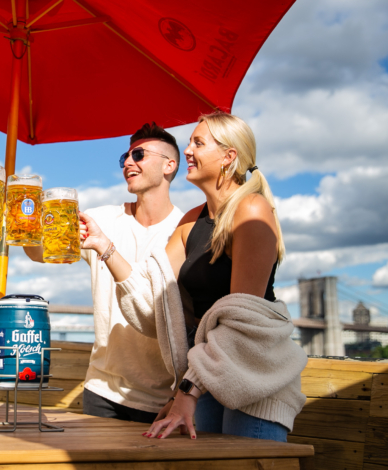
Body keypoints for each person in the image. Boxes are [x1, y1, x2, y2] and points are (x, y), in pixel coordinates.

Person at [79, 112, 307, 442]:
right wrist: (104, 246)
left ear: (229, 157)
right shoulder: (190, 222)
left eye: (198, 143)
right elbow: (151, 301)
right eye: (189, 142)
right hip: (208, 377)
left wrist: (185, 391)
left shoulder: (252, 210)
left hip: (254, 375)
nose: (187, 150)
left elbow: (241, 323)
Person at [24, 122, 184, 423]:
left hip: (164, 398)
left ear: (169, 165)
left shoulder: (183, 231)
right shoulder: (101, 219)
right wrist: (26, 219)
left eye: (138, 154)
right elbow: (38, 253)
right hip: (102, 392)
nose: (127, 162)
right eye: (124, 156)